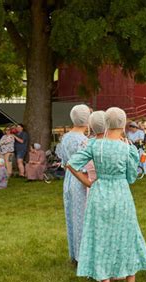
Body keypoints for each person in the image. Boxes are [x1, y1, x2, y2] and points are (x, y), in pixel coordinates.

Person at [67, 107, 146, 282]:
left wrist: (88, 182)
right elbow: (131, 177)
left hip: (99, 193)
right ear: (122, 124)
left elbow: (71, 164)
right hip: (120, 193)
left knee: (101, 236)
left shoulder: (95, 145)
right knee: (128, 235)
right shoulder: (127, 147)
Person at [56, 104, 90, 264]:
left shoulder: (66, 137)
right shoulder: (83, 141)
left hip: (69, 178)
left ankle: (74, 253)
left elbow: (64, 162)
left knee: (71, 214)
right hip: (80, 178)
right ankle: (82, 255)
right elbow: (85, 164)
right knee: (81, 216)